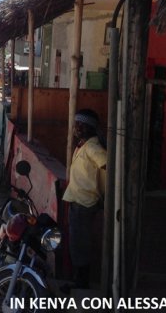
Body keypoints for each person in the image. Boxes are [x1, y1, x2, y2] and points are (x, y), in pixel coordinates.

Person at [63, 108, 107, 289]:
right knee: (76, 243)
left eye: (81, 125)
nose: (77, 128)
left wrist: (102, 191)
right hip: (78, 201)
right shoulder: (82, 145)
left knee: (80, 244)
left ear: (89, 128)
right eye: (76, 124)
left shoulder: (92, 147)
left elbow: (107, 165)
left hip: (84, 203)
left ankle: (81, 284)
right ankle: (78, 281)